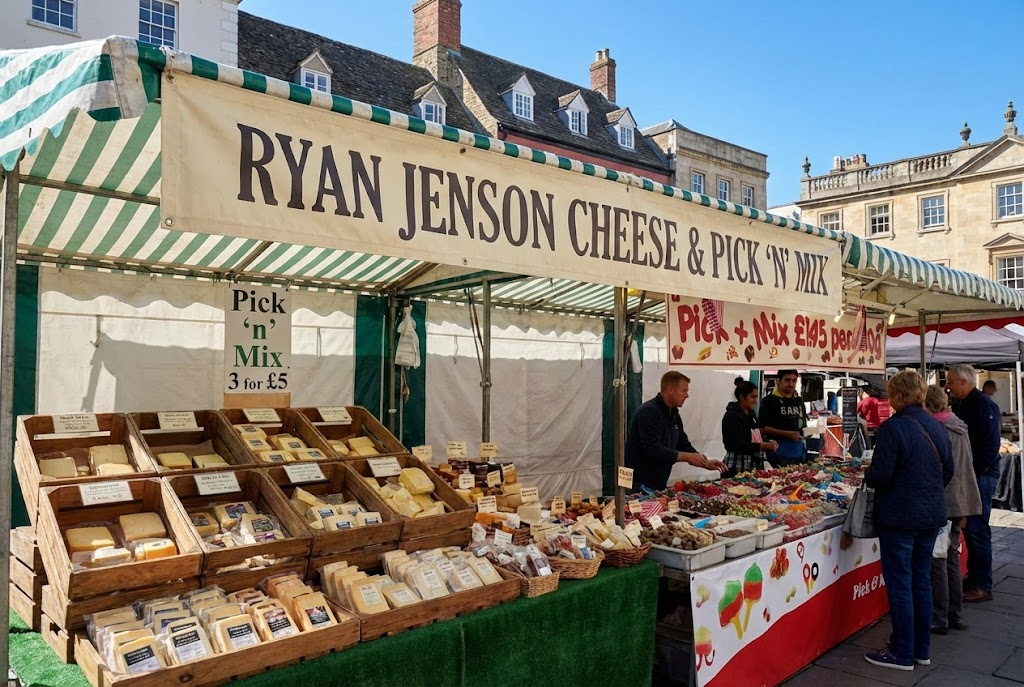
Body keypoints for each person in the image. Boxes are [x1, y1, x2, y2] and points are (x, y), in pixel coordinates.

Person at [863, 371, 953, 671]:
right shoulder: (938, 425)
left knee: (901, 583)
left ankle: (902, 653)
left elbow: (880, 475)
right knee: (921, 581)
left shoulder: (894, 428)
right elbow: (947, 472)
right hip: (930, 515)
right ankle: (921, 650)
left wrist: (868, 474)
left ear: (896, 396)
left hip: (900, 516)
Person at [924, 385, 982, 635]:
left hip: (943, 500)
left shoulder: (938, 429)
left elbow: (938, 469)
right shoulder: (958, 426)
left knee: (938, 559)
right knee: (951, 557)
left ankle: (939, 617)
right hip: (959, 499)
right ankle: (954, 613)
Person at [946, 364, 1001, 603]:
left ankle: (982, 585)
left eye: (951, 381)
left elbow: (990, 444)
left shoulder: (983, 404)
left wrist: (974, 473)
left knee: (978, 529)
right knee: (970, 528)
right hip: (972, 474)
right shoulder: (965, 403)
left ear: (964, 382)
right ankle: (975, 578)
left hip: (981, 475)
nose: (948, 386)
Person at [625, 371, 727, 491]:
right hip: (638, 484)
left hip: (658, 482)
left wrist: (704, 462)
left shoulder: (673, 413)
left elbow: (683, 445)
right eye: (684, 390)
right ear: (670, 389)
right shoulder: (649, 412)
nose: (687, 395)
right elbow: (652, 448)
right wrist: (687, 457)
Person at [722, 378, 778, 478]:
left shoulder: (751, 413)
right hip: (737, 466)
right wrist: (762, 446)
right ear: (742, 397)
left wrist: (769, 442)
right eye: (752, 397)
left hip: (753, 465)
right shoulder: (732, 416)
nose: (755, 401)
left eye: (756, 397)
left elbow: (758, 435)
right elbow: (736, 445)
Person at [759, 369, 808, 467]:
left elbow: (803, 424)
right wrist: (787, 434)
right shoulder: (769, 401)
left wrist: (809, 432)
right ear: (778, 381)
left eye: (794, 381)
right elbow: (763, 428)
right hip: (777, 452)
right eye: (787, 380)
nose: (791, 384)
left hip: (798, 452)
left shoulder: (799, 401)